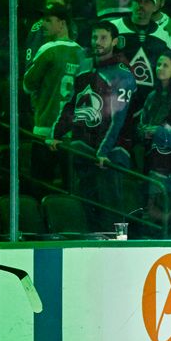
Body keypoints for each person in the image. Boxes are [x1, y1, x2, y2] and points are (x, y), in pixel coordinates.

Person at [50, 20, 137, 230]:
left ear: (115, 41)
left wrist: (104, 151)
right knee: (85, 205)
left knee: (111, 206)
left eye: (103, 38)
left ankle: (118, 245)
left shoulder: (123, 73)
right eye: (94, 37)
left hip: (112, 152)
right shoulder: (85, 68)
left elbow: (118, 118)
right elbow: (73, 105)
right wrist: (57, 134)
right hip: (86, 148)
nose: (97, 42)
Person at [23, 4, 84, 193]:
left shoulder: (48, 49)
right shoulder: (82, 53)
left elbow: (27, 84)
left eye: (48, 20)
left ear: (62, 23)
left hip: (46, 128)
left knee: (40, 186)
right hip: (71, 131)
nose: (43, 24)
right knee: (70, 188)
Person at [138, 52, 171, 234]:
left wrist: (160, 133)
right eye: (158, 64)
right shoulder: (152, 97)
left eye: (165, 65)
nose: (160, 68)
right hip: (156, 167)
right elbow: (142, 125)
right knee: (155, 220)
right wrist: (144, 132)